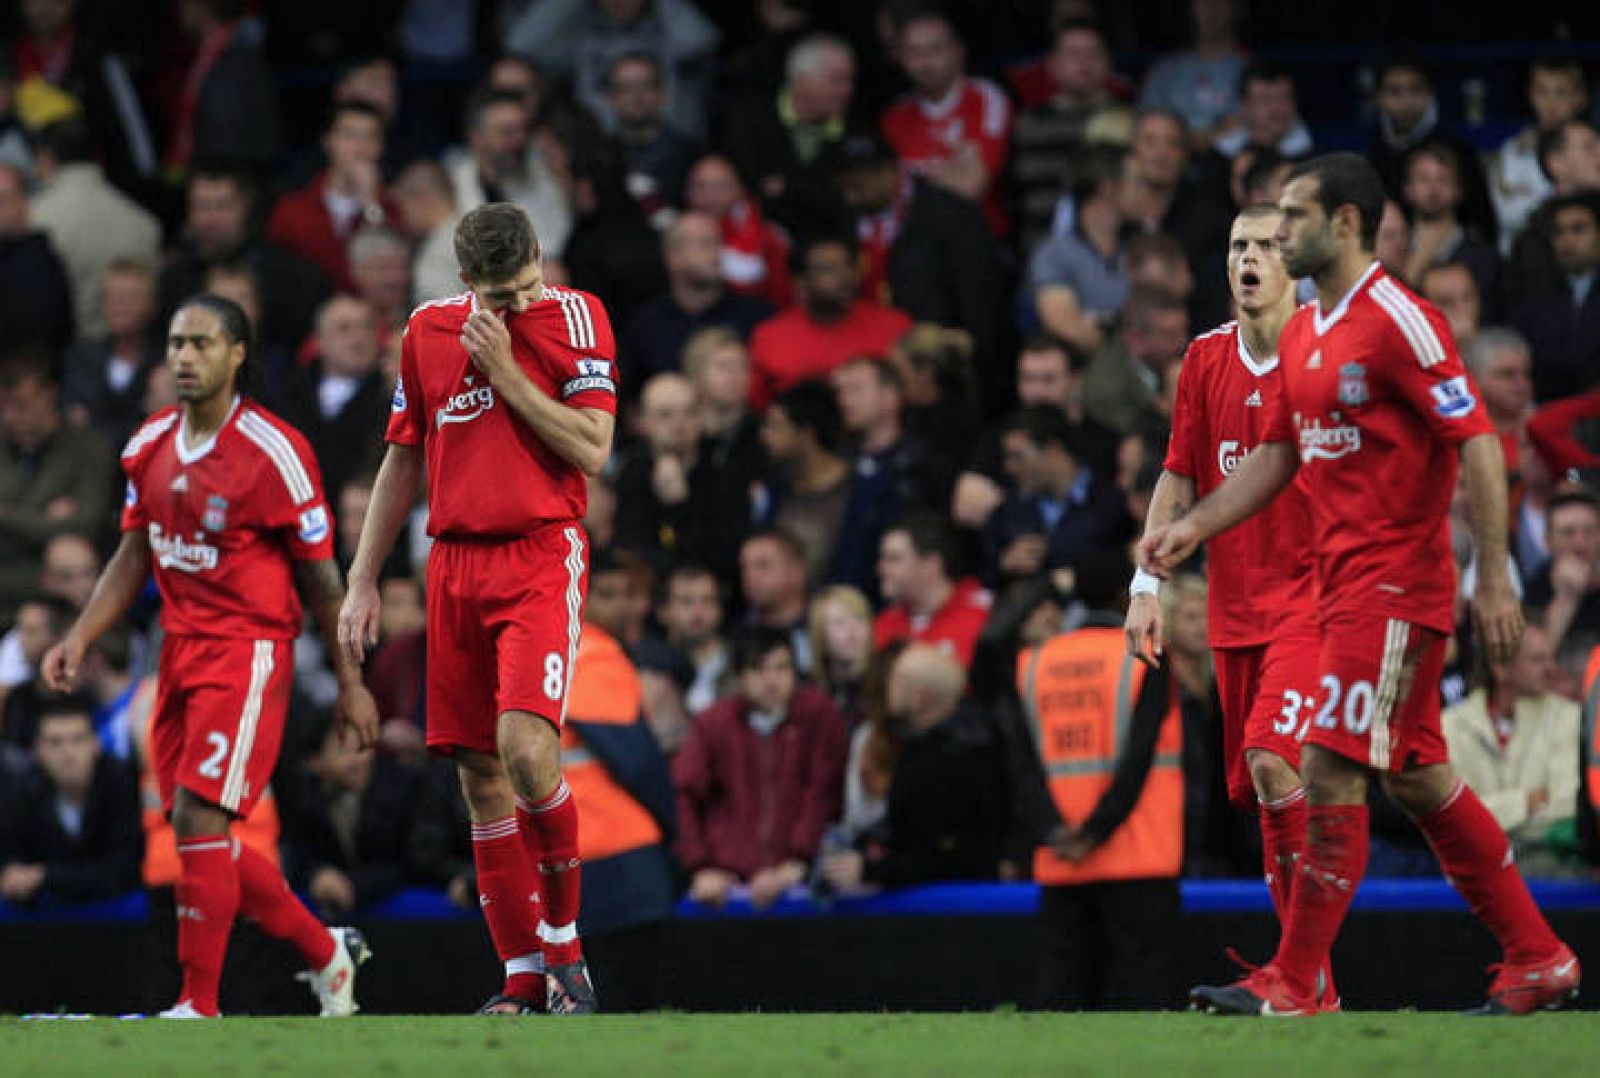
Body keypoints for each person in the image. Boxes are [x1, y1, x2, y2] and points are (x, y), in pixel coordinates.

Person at [1143, 152, 1579, 1016]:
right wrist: (1196, 525)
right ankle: (1539, 957)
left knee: (1326, 768)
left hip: (1393, 589)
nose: (1279, 235)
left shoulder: (1398, 320)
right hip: (1342, 590)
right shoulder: (1309, 332)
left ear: (1344, 223)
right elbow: (1278, 452)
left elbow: (1476, 440)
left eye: (1295, 218)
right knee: (1418, 778)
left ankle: (1298, 982)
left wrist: (1494, 577)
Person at [40, 294, 379, 1020]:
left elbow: (324, 581)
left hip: (249, 650)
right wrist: (80, 636)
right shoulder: (148, 444)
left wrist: (351, 684)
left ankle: (198, 1004)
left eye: (201, 343)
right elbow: (135, 551)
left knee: (199, 816)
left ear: (237, 354)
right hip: (179, 651)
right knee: (199, 833)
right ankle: (325, 952)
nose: (184, 357)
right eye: (175, 344)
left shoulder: (275, 452)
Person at [338, 203, 617, 1016]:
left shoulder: (577, 316)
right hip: (454, 565)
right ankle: (523, 978)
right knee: (479, 776)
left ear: (541, 257)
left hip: (539, 552)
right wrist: (362, 578)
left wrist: (507, 373)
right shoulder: (427, 330)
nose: (518, 304)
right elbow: (403, 457)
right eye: (500, 297)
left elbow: (592, 447)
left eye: (528, 284)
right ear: (465, 283)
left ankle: (564, 946)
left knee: (526, 748)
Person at [1125, 203, 1334, 1006]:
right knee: (1263, 790)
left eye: (1268, 247)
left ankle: (1299, 978)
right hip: (1234, 610)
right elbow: (1179, 473)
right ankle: (1312, 988)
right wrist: (1147, 585)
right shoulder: (1205, 359)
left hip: (1315, 602)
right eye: (1239, 244)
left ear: (1296, 267)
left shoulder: (1327, 357)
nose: (1249, 258)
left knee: (1274, 761)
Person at [1019, 547, 1185, 1011]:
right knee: (1146, 1000)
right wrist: (1096, 832)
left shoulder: (1034, 663)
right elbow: (1139, 758)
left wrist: (1056, 832)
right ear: (1124, 596)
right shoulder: (1145, 653)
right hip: (1139, 853)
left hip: (1061, 857)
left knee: (1065, 999)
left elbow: (1022, 767)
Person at [674, 626, 848, 910]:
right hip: (724, 881)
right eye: (759, 670)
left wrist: (799, 862)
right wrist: (701, 866)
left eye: (781, 668)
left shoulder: (819, 715)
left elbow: (823, 791)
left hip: (802, 878)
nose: (772, 680)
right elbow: (683, 794)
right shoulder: (713, 723)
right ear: (739, 677)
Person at [818, 644, 1010, 890]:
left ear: (920, 698)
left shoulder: (956, 760)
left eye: (897, 680)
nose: (887, 684)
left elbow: (942, 856)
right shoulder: (922, 746)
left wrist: (871, 869)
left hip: (957, 902)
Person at [1442, 624, 1580, 877]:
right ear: (1501, 668)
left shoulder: (1569, 717)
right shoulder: (1450, 725)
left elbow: (1566, 807)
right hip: (1472, 877)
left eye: (1552, 658)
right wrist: (1525, 802)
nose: (1551, 669)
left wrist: (1490, 815)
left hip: (1551, 872)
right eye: (1537, 660)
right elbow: (1454, 819)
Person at [0, 350, 113, 620]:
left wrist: (5, 515)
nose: (9, 417)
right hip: (9, 591)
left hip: (66, 604)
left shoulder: (89, 449)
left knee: (71, 555)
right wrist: (45, 521)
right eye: (3, 406)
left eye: (21, 405)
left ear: (49, 394)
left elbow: (86, 525)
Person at [0, 693, 143, 905]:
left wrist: (44, 877)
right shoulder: (20, 791)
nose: (68, 754)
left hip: (118, 913)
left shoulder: (121, 783)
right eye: (55, 743)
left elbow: (123, 869)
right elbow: (11, 860)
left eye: (78, 740)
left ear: (96, 744)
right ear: (37, 750)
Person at [880, 9, 1012, 234]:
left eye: (935, 49)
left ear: (958, 51)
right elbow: (882, 196)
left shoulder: (984, 98)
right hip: (914, 239)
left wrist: (914, 182)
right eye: (913, 52)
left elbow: (971, 186)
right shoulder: (894, 116)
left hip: (977, 236)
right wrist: (951, 170)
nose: (924, 62)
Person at [748, 234, 913, 411]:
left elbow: (914, 396)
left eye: (849, 265)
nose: (844, 276)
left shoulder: (894, 326)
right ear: (801, 283)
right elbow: (758, 408)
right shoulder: (770, 337)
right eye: (828, 269)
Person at [266, 101, 402, 295]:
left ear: (381, 146)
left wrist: (370, 205)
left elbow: (392, 271)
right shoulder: (292, 209)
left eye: (370, 137)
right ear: (328, 141)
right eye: (349, 135)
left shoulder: (394, 207)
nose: (360, 147)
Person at [1493, 55, 1590, 255]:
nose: (1550, 103)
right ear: (1531, 96)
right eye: (1542, 92)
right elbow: (1508, 215)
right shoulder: (1512, 153)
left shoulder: (1594, 151)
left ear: (1579, 98)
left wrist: (1533, 197)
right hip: (1523, 261)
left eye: (1561, 93)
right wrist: (1566, 192)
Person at [874, 510, 991, 668]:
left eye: (894, 559)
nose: (881, 569)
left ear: (931, 564)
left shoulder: (982, 617)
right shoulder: (884, 625)